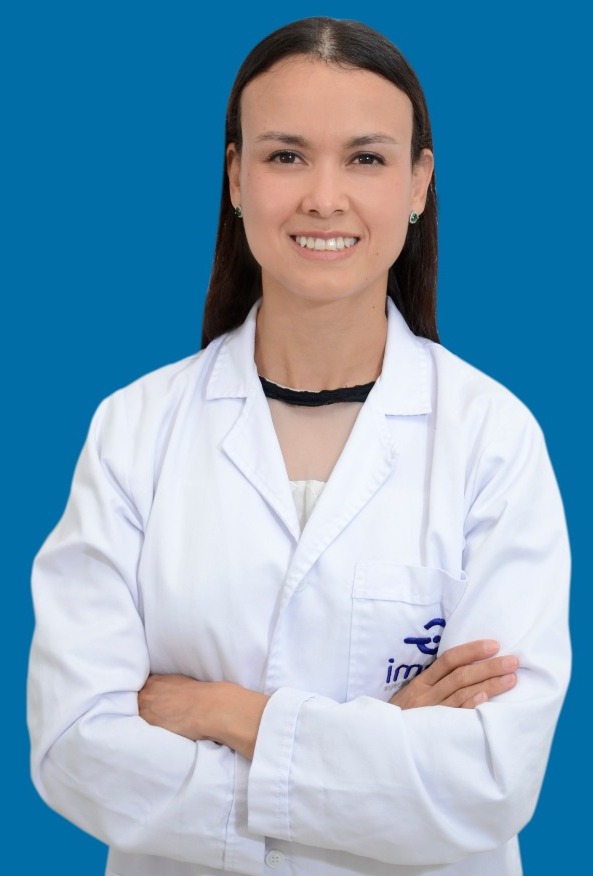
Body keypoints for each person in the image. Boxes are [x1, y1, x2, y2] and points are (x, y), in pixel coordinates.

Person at [27, 16, 571, 876]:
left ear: (418, 183)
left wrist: (227, 713)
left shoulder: (491, 438)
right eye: (285, 155)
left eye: (365, 159)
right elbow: (74, 750)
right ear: (236, 178)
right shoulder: (134, 429)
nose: (323, 197)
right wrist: (378, 757)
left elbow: (489, 781)